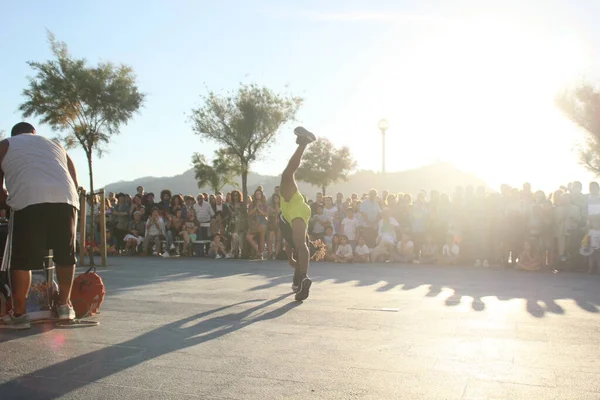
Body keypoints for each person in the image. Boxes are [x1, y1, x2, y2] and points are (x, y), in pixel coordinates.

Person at [0, 122, 80, 329]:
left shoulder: (6, 144)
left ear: (14, 134)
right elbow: (73, 176)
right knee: (65, 254)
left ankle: (19, 315)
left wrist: (5, 202)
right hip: (66, 199)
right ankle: (64, 307)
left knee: (22, 260)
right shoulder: (55, 145)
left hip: (29, 199)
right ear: (33, 133)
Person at [279, 127, 317, 301]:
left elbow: (291, 252)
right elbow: (297, 250)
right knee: (287, 174)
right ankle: (303, 279)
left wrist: (290, 258)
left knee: (288, 174)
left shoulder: (286, 228)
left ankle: (303, 143)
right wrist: (293, 261)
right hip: (297, 208)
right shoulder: (289, 225)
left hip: (294, 208)